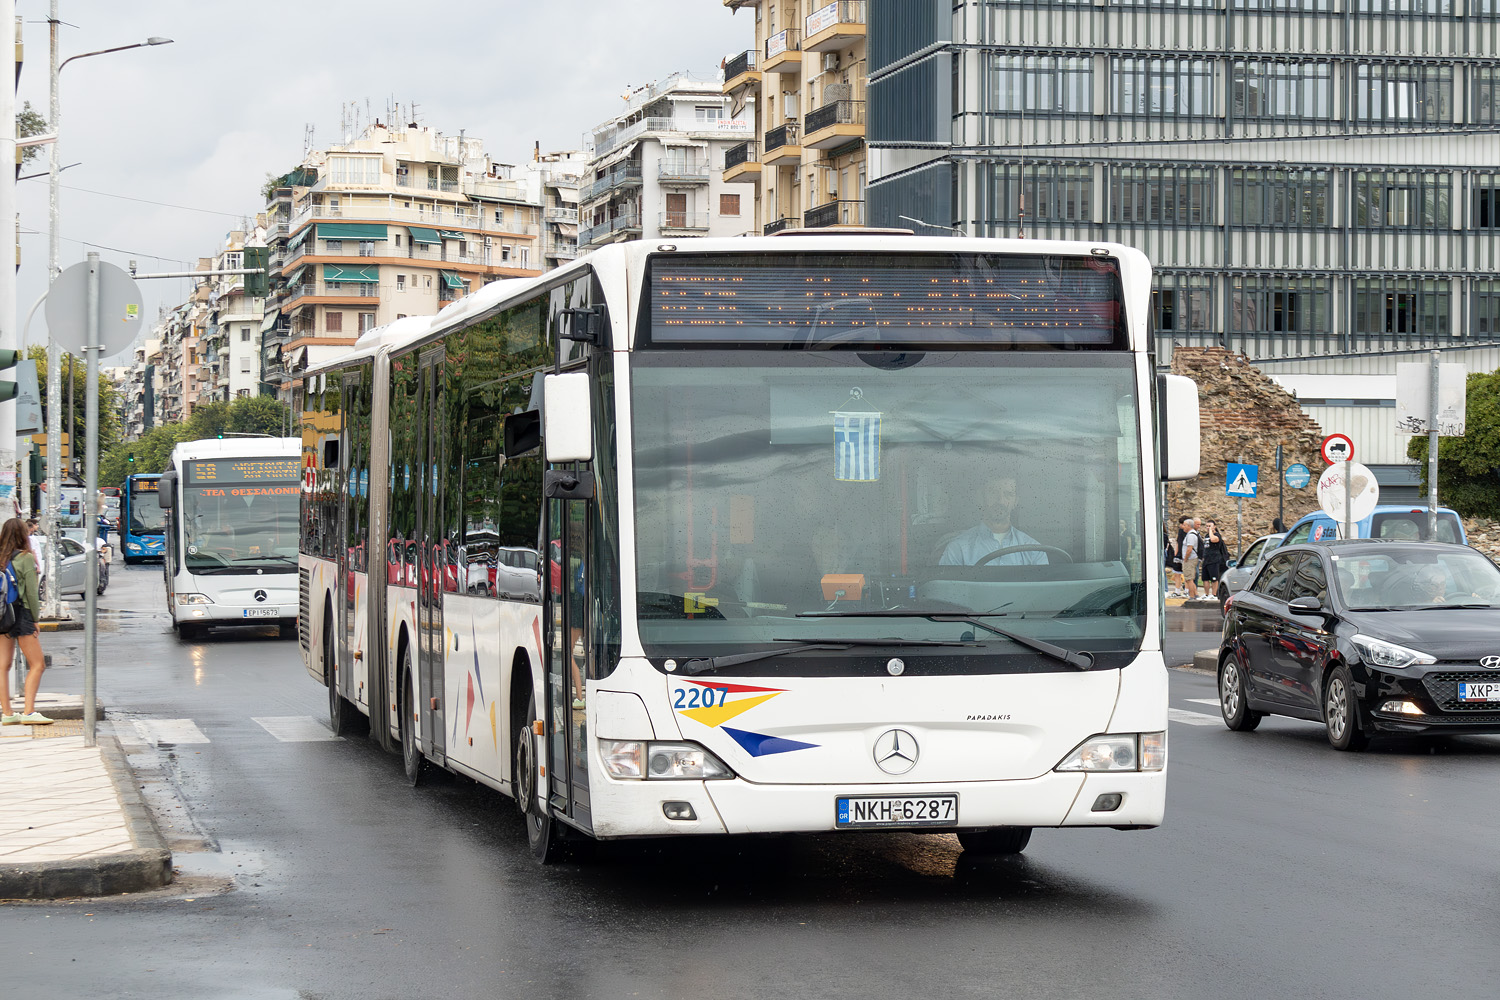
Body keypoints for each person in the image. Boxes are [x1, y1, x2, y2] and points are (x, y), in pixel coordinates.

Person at [0, 517, 52, 726]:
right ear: (23, 535)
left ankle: (8, 713)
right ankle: (29, 712)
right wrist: (36, 619)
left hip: (2, 614)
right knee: (38, 664)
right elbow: (31, 593)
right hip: (21, 614)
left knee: (3, 666)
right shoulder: (25, 557)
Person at [939, 474, 1048, 566]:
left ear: (1016, 502)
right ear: (980, 498)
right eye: (993, 492)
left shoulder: (1034, 551)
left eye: (1008, 494)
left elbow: (1043, 591)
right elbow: (947, 590)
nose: (1000, 500)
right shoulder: (958, 549)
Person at [1200, 520, 1229, 590]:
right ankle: (1207, 594)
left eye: (1210, 526)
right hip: (1206, 559)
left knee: (1214, 579)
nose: (1208, 528)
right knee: (1205, 578)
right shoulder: (1207, 536)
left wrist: (1211, 531)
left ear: (1214, 527)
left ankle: (1214, 594)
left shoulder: (1217, 535)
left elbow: (1213, 539)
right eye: (1207, 526)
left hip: (1214, 560)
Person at [1178, 516, 1201, 600]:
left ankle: (1191, 596)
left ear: (1188, 526)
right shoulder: (1192, 534)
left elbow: (1189, 549)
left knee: (1189, 579)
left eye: (1184, 525)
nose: (1182, 527)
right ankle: (1195, 594)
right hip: (1191, 559)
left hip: (1190, 559)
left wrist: (1185, 558)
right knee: (1189, 578)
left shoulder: (1191, 535)